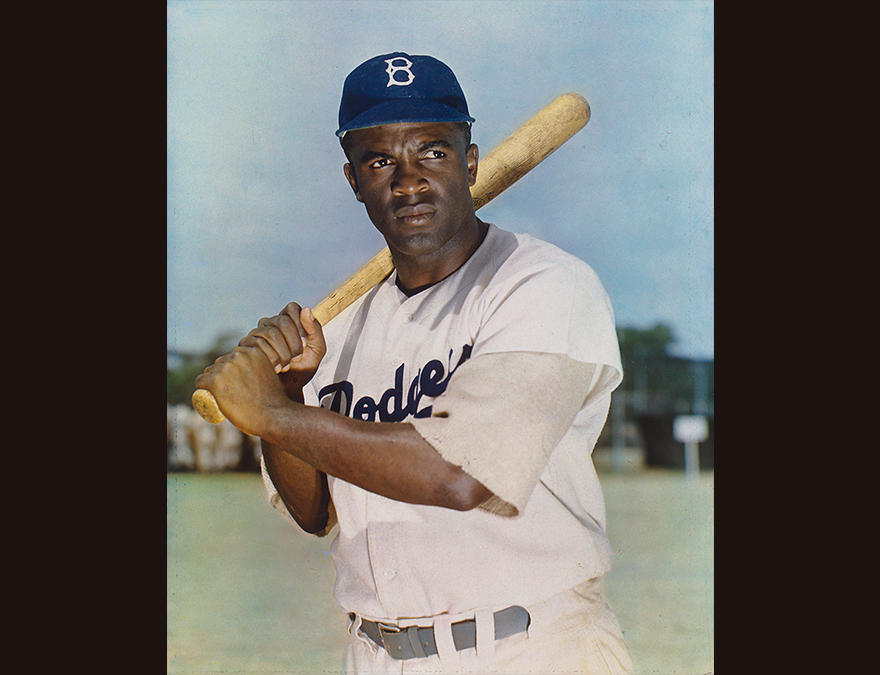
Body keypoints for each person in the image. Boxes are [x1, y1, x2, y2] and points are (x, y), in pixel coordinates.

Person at [196, 51, 633, 674]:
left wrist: (268, 414)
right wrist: (290, 395)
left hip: (530, 648)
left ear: (471, 161)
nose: (408, 182)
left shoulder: (543, 286)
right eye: (381, 161)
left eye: (432, 151)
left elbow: (458, 475)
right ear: (354, 182)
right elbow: (313, 512)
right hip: (375, 653)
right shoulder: (339, 329)